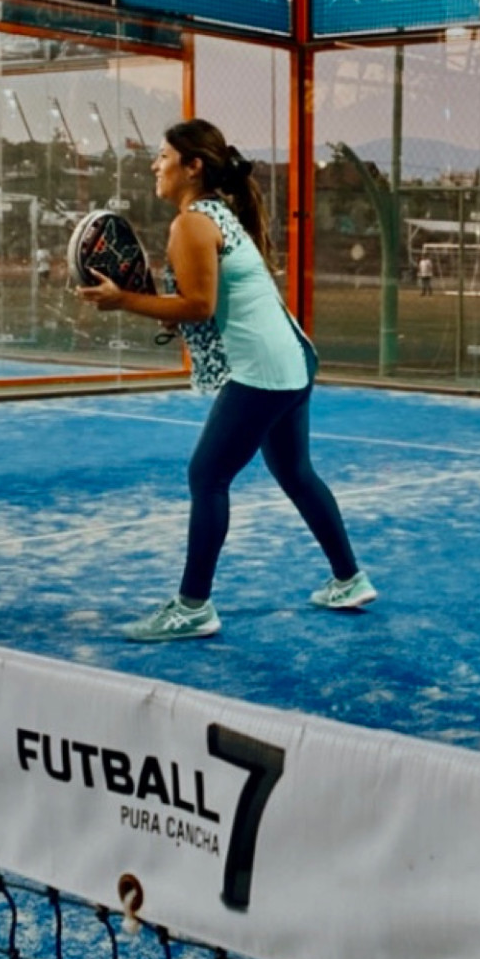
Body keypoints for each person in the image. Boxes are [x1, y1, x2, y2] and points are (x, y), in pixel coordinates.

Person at [78, 118, 376, 641]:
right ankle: (349, 580)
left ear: (193, 166)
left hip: (263, 370)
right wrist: (166, 313)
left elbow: (199, 304)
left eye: (164, 156)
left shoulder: (192, 223)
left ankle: (193, 606)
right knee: (296, 473)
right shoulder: (215, 215)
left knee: (207, 476)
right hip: (291, 360)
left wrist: (124, 300)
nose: (155, 165)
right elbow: (207, 306)